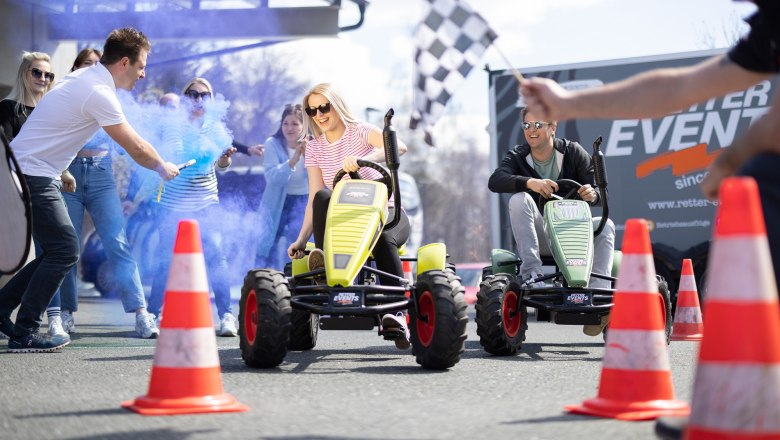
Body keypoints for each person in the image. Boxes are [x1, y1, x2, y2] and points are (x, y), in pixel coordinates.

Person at [519, 1, 778, 437]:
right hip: (539, 212)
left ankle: (745, 400)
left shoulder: (575, 155)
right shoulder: (770, 26)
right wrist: (567, 100)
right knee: (761, 177)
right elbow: (681, 88)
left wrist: (733, 156)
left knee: (761, 178)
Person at [0, 27, 179, 353]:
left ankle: (3, 310)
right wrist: (161, 166)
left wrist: (63, 170)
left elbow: (56, 130)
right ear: (124, 62)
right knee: (66, 250)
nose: (143, 73)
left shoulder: (84, 78)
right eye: (141, 65)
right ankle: (24, 332)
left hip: (32, 172)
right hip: (32, 175)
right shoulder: (98, 91)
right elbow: (136, 146)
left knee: (59, 249)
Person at [45, 47, 160, 340]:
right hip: (68, 170)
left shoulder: (111, 95)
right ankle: (66, 314)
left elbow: (131, 141)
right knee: (68, 246)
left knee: (117, 242)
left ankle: (141, 313)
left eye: (97, 64)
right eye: (87, 65)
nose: (93, 69)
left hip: (100, 173)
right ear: (77, 69)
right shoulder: (69, 92)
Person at [286, 83, 411, 349]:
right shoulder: (315, 147)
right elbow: (314, 199)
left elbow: (399, 146)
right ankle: (324, 264)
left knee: (381, 236)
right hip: (342, 223)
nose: (319, 114)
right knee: (323, 196)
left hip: (384, 215)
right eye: (312, 110)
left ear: (336, 105)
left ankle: (396, 313)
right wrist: (300, 240)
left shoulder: (361, 131)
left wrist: (366, 157)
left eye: (324, 107)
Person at [488, 108, 615, 335]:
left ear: (552, 127)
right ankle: (532, 275)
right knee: (519, 199)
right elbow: (496, 181)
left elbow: (598, 190)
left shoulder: (573, 152)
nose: (532, 130)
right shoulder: (518, 155)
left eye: (538, 124)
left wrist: (591, 193)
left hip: (576, 235)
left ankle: (598, 297)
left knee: (607, 226)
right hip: (543, 235)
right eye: (527, 126)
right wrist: (530, 183)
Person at [146, 77, 239, 337]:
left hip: (205, 201)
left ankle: (227, 316)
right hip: (172, 202)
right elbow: (160, 156)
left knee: (215, 255)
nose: (198, 99)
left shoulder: (215, 127)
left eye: (204, 95)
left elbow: (221, 166)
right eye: (192, 94)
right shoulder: (172, 125)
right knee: (166, 259)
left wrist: (223, 158)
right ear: (185, 98)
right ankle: (153, 315)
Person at [255, 104, 308, 270]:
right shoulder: (272, 144)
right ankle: (263, 280)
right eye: (285, 123)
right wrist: (294, 159)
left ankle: (296, 284)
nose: (289, 128)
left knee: (298, 246)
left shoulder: (312, 143)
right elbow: (272, 177)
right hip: (276, 202)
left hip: (303, 201)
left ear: (303, 126)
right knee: (267, 243)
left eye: (295, 124)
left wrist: (308, 155)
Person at [0, 52, 55, 142]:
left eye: (48, 75)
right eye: (37, 72)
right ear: (24, 74)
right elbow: (6, 148)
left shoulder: (51, 111)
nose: (43, 79)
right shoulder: (6, 107)